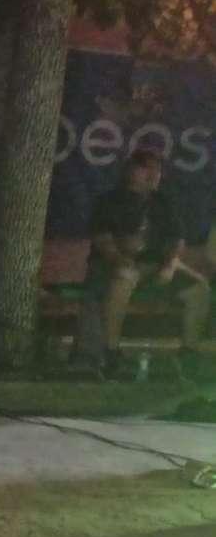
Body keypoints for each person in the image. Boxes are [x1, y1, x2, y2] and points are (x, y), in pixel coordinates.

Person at [85, 148, 211, 373]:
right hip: (118, 268)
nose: (154, 175)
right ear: (131, 170)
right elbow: (102, 240)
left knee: (199, 289)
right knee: (124, 277)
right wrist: (122, 259)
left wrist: (169, 266)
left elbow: (177, 240)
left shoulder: (164, 202)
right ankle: (110, 352)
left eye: (158, 170)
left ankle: (188, 352)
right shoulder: (109, 201)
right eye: (147, 169)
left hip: (157, 267)